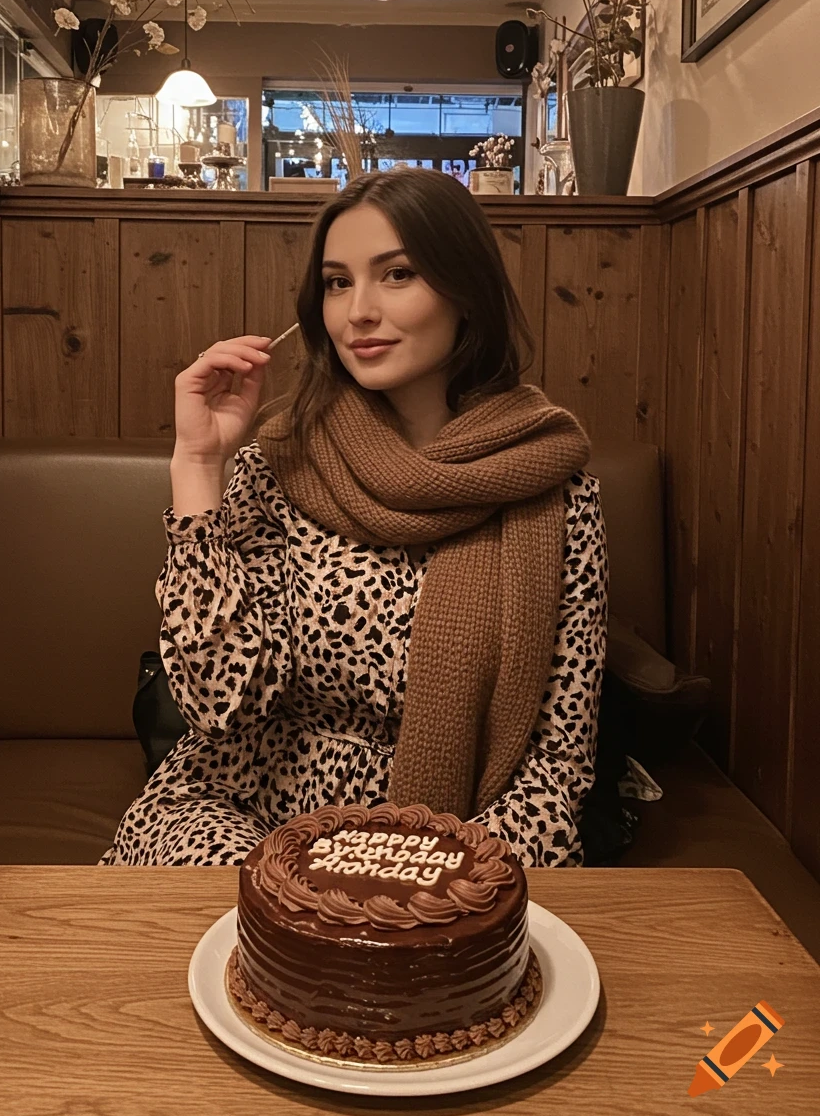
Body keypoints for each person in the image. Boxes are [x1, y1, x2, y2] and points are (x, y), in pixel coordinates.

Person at [101, 167, 608, 869]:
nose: (357, 312)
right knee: (258, 916)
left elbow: (557, 764)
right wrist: (197, 466)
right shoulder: (282, 463)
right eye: (338, 282)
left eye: (397, 275)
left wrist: (431, 879)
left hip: (453, 836)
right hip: (247, 814)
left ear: (465, 291)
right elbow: (221, 707)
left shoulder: (555, 490)